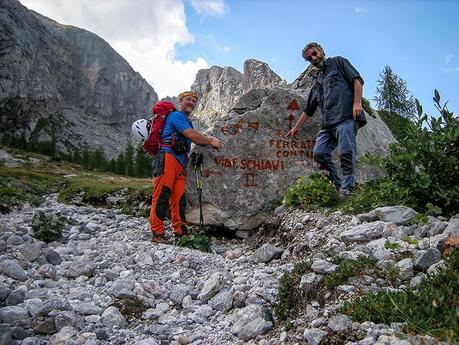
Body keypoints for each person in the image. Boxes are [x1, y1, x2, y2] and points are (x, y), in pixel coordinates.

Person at [286, 42, 366, 197]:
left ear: (321, 50)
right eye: (310, 59)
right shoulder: (317, 81)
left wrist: (357, 103)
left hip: (346, 117)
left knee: (345, 151)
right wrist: (296, 128)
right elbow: (309, 109)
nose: (314, 59)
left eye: (315, 54)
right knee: (319, 153)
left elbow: (357, 80)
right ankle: (338, 186)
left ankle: (348, 188)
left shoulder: (338, 62)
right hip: (327, 124)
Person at [150, 91, 222, 242]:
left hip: (180, 162)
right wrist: (210, 141)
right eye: (188, 99)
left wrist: (207, 138)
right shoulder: (177, 116)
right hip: (167, 157)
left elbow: (193, 135)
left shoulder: (187, 121)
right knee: (162, 195)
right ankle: (157, 233)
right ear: (180, 101)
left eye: (194, 101)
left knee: (179, 199)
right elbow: (191, 135)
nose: (191, 102)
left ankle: (180, 231)